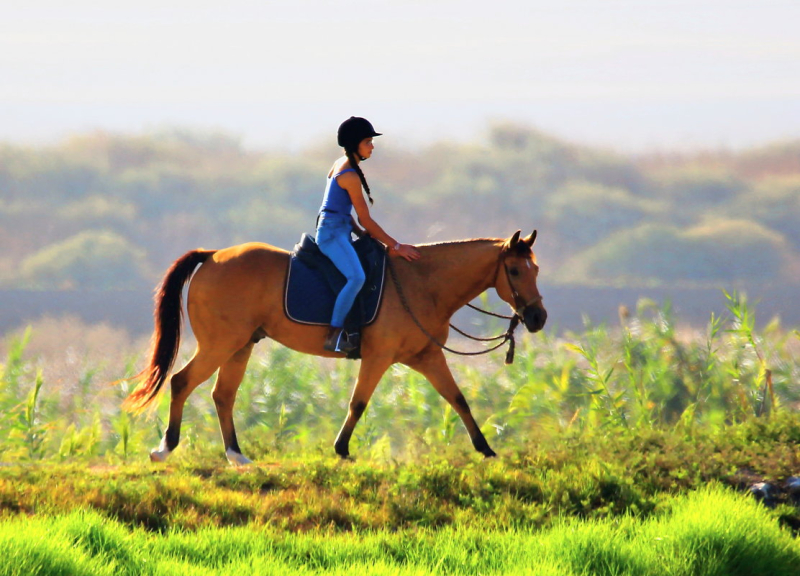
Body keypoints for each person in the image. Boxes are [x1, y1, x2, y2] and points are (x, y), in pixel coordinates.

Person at [317, 116, 421, 353]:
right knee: (357, 278)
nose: (372, 146)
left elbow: (340, 210)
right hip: (332, 235)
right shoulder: (349, 176)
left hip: (340, 229)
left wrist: (359, 232)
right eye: (367, 141)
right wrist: (396, 246)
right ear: (355, 144)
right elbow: (365, 218)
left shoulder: (342, 163)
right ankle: (335, 333)